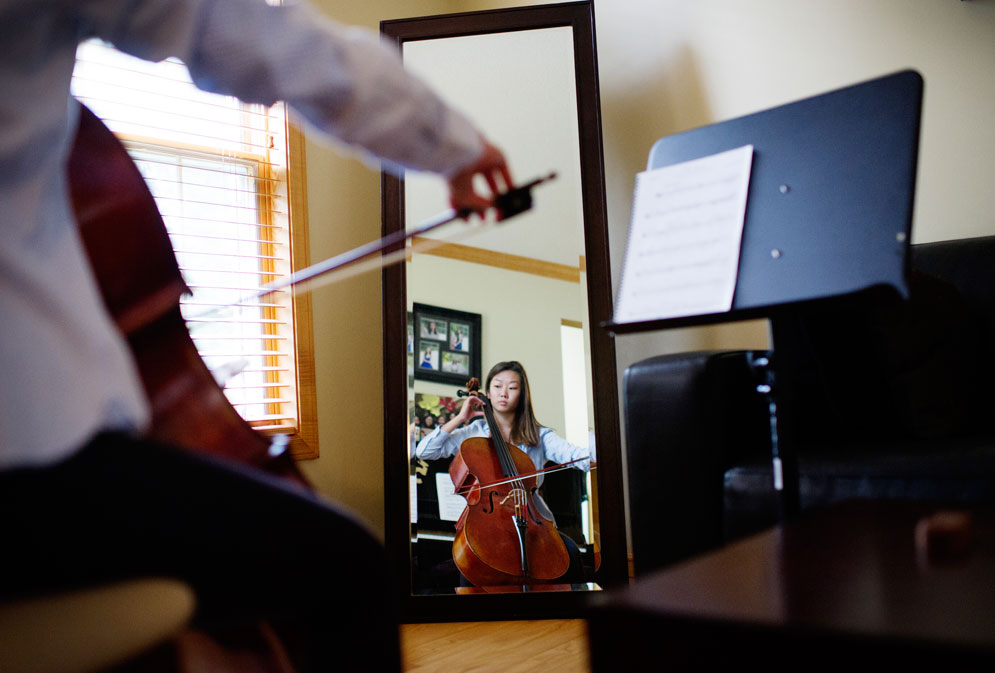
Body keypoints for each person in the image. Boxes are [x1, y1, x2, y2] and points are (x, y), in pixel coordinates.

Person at [0, 1, 512, 671]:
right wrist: (447, 141)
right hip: (27, 464)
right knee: (345, 568)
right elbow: (232, 28)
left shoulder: (524, 434)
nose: (504, 391)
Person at [414, 360, 594, 585]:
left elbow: (583, 459)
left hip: (533, 523)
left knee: (571, 553)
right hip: (486, 526)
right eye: (498, 386)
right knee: (471, 567)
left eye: (512, 387)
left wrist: (597, 431)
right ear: (487, 392)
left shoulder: (540, 437)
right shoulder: (473, 433)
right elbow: (425, 451)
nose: (504, 393)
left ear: (522, 394)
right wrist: (461, 418)